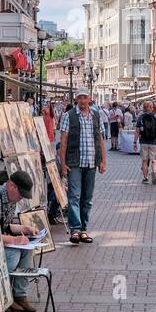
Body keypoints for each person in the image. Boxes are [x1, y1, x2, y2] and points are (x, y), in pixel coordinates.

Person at [57, 91, 107, 244]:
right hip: (74, 162)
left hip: (91, 162)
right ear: (76, 100)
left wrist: (103, 160)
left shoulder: (95, 115)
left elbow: (100, 140)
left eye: (85, 97)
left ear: (89, 99)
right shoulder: (69, 115)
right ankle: (75, 230)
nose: (83, 100)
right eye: (80, 98)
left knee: (87, 198)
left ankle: (84, 229)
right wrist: (63, 163)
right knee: (74, 196)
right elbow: (63, 141)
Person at [0, 170, 41, 312]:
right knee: (13, 253)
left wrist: (25, 228)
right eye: (21, 194)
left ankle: (20, 295)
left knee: (27, 250)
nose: (20, 199)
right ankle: (5, 295)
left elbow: (5, 225)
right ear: (12, 186)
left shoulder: (10, 199)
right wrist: (14, 240)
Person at [136, 100, 156, 185]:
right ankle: (153, 171)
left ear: (143, 108)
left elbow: (137, 131)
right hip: (154, 141)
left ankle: (145, 178)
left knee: (144, 160)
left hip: (143, 141)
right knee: (154, 159)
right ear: (151, 107)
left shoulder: (140, 117)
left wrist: (134, 141)